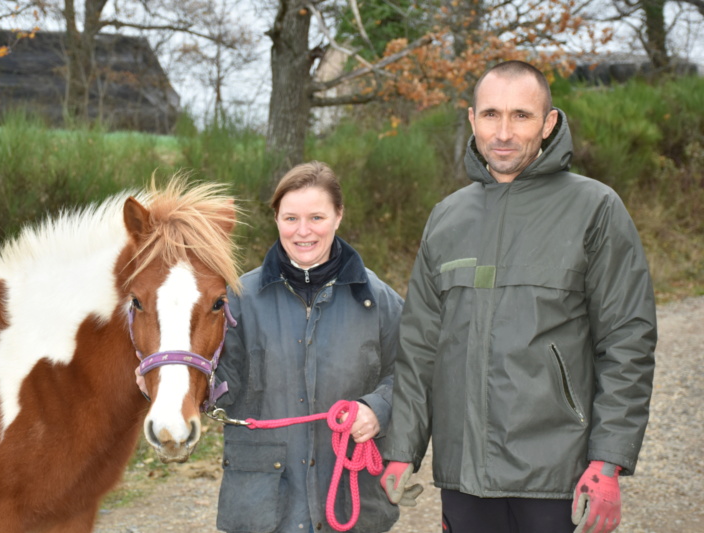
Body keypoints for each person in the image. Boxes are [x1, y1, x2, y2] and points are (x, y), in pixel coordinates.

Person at [380, 60, 657, 533]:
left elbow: (627, 341)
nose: (503, 132)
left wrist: (608, 461)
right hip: (464, 474)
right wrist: (401, 449)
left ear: (548, 122)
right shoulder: (446, 218)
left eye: (521, 116)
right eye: (491, 115)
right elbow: (420, 349)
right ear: (472, 119)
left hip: (557, 474)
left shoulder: (595, 208)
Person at [214, 161, 404, 533]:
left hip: (351, 504)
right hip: (262, 508)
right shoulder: (235, 300)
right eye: (290, 218)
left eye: (316, 217)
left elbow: (416, 374)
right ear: (276, 219)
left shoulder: (379, 300)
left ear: (338, 217)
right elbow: (217, 385)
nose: (303, 232)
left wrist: (378, 408)